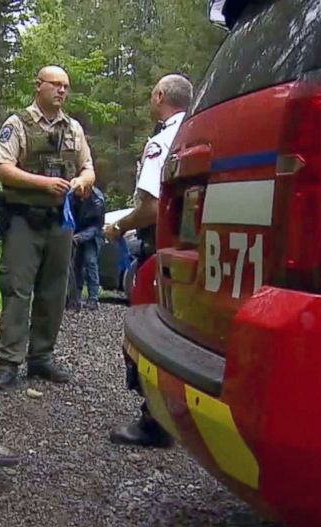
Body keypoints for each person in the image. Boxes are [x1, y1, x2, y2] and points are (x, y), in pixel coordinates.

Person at [0, 65, 96, 390]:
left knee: (53, 292)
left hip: (60, 222)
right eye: (56, 85)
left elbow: (88, 166)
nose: (62, 91)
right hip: (23, 219)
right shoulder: (17, 124)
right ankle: (7, 362)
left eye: (66, 86)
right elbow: (1, 169)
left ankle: (41, 358)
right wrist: (43, 183)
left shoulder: (74, 128)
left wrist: (81, 182)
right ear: (39, 86)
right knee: (17, 289)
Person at [104, 73, 193, 446]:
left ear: (160, 96)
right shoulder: (197, 131)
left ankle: (153, 420)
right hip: (195, 248)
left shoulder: (161, 142)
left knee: (149, 331)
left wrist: (119, 226)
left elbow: (152, 207)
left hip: (160, 248)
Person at [68, 185, 106, 311]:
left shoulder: (97, 200)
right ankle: (75, 298)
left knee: (91, 262)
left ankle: (93, 298)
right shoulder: (72, 195)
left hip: (92, 235)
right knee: (76, 265)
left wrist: (80, 237)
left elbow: (97, 226)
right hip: (77, 231)